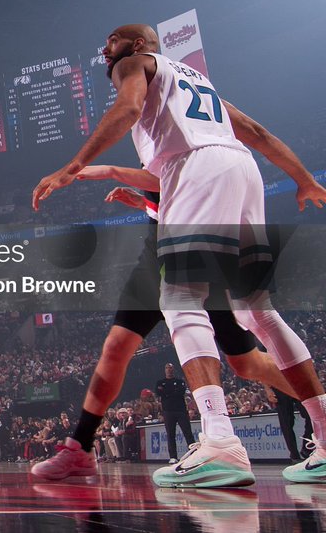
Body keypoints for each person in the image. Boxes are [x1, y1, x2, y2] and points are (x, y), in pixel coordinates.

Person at [33, 23, 326, 487]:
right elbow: (255, 132)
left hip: (200, 172)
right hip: (239, 170)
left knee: (180, 299)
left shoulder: (134, 64)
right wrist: (303, 178)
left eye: (110, 41)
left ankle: (220, 442)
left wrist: (72, 165)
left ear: (135, 46)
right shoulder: (196, 83)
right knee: (257, 310)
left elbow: (128, 109)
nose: (104, 50)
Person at [31, 171, 295, 480]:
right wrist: (146, 200)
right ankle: (81, 447)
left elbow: (186, 178)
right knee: (116, 347)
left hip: (198, 253)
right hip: (153, 261)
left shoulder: (189, 134)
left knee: (246, 362)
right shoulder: (149, 139)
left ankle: (317, 408)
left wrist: (94, 169)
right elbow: (166, 186)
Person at [155, 363, 194, 464]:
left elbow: (180, 391)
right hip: (168, 411)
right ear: (165, 370)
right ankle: (173, 456)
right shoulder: (160, 382)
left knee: (187, 433)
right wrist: (172, 392)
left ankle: (193, 454)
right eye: (167, 368)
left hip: (181, 410)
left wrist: (167, 392)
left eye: (171, 368)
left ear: (173, 370)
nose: (169, 370)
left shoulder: (180, 381)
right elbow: (159, 392)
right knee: (170, 435)